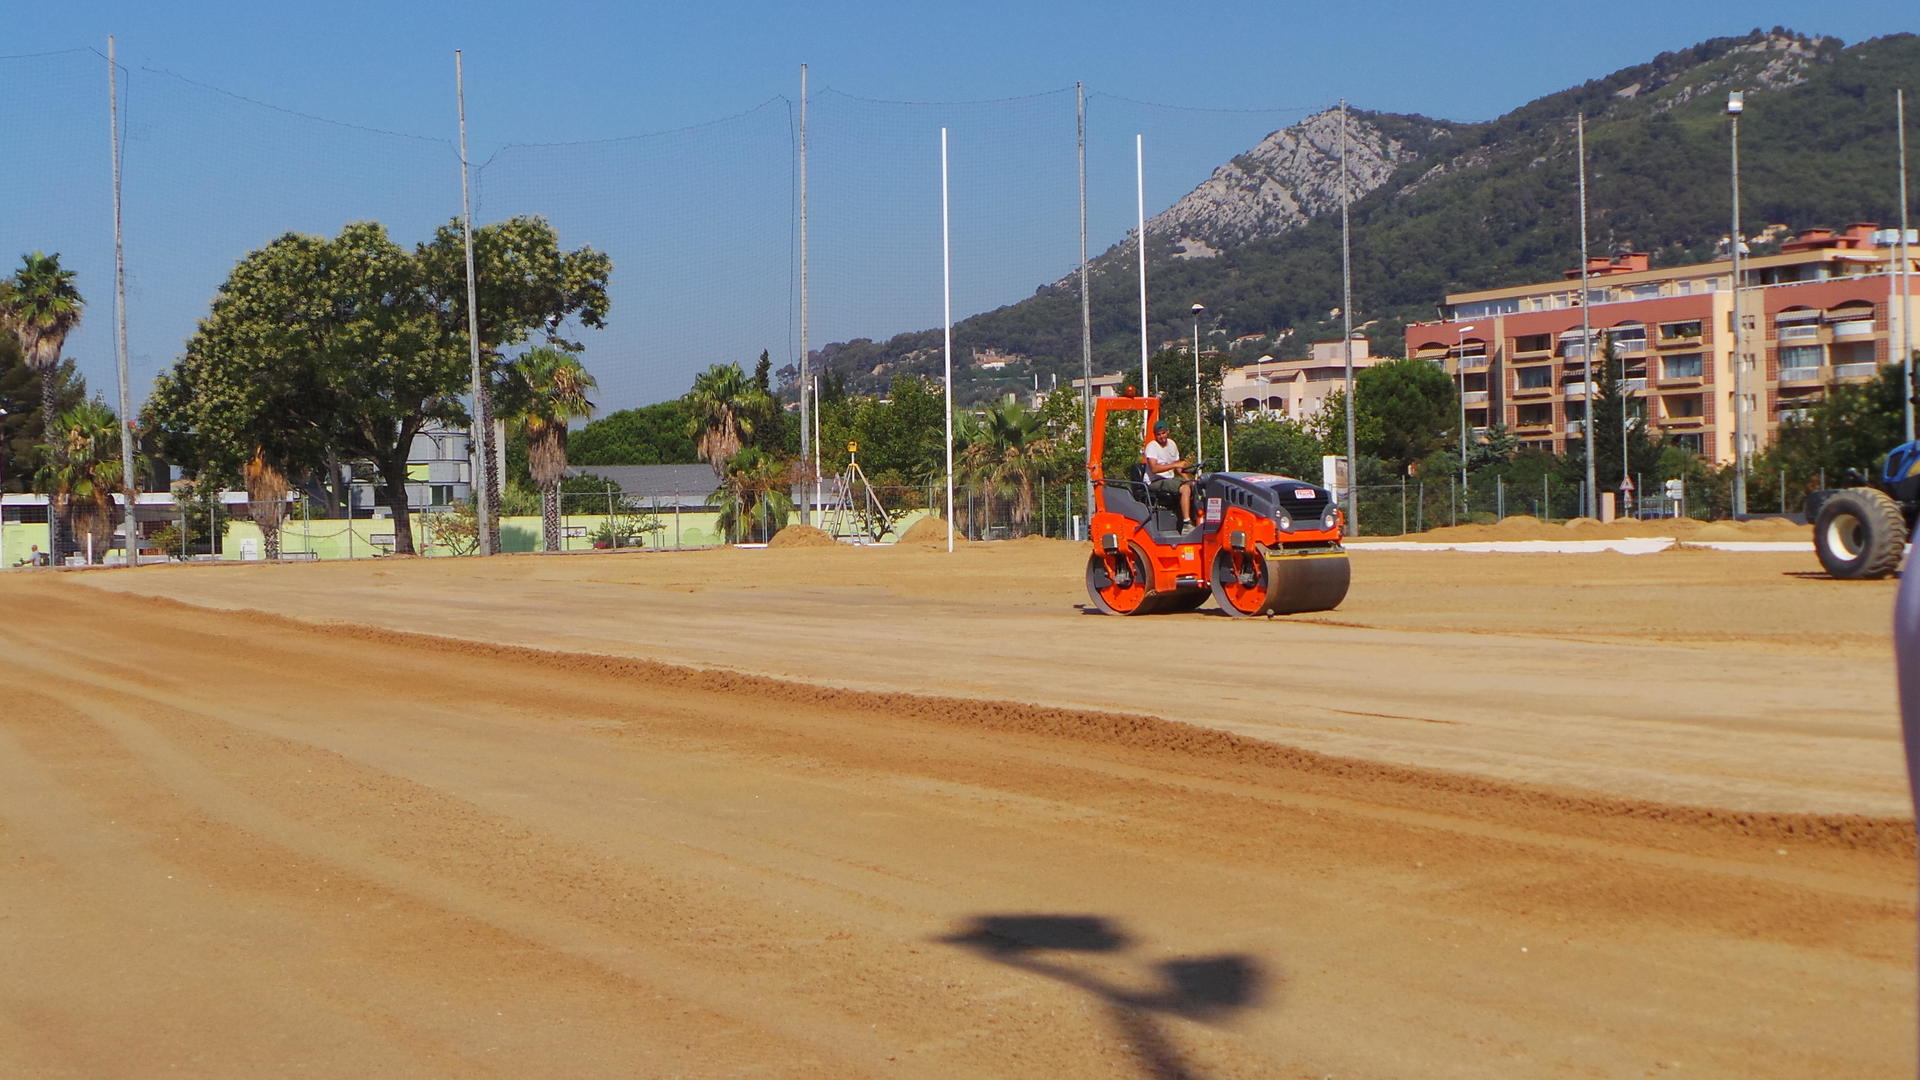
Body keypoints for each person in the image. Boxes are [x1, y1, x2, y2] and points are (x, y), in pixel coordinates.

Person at [1141, 420, 1195, 528]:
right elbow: (1154, 468)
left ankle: (1195, 518)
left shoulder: (1172, 444)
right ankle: (1186, 523)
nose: (1161, 436)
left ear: (1168, 432)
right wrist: (1175, 466)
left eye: (1163, 433)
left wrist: (1190, 479)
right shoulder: (1152, 446)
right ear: (1155, 435)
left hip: (1169, 479)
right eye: (1158, 434)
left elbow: (1179, 468)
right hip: (1154, 481)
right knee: (1184, 488)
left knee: (1193, 486)